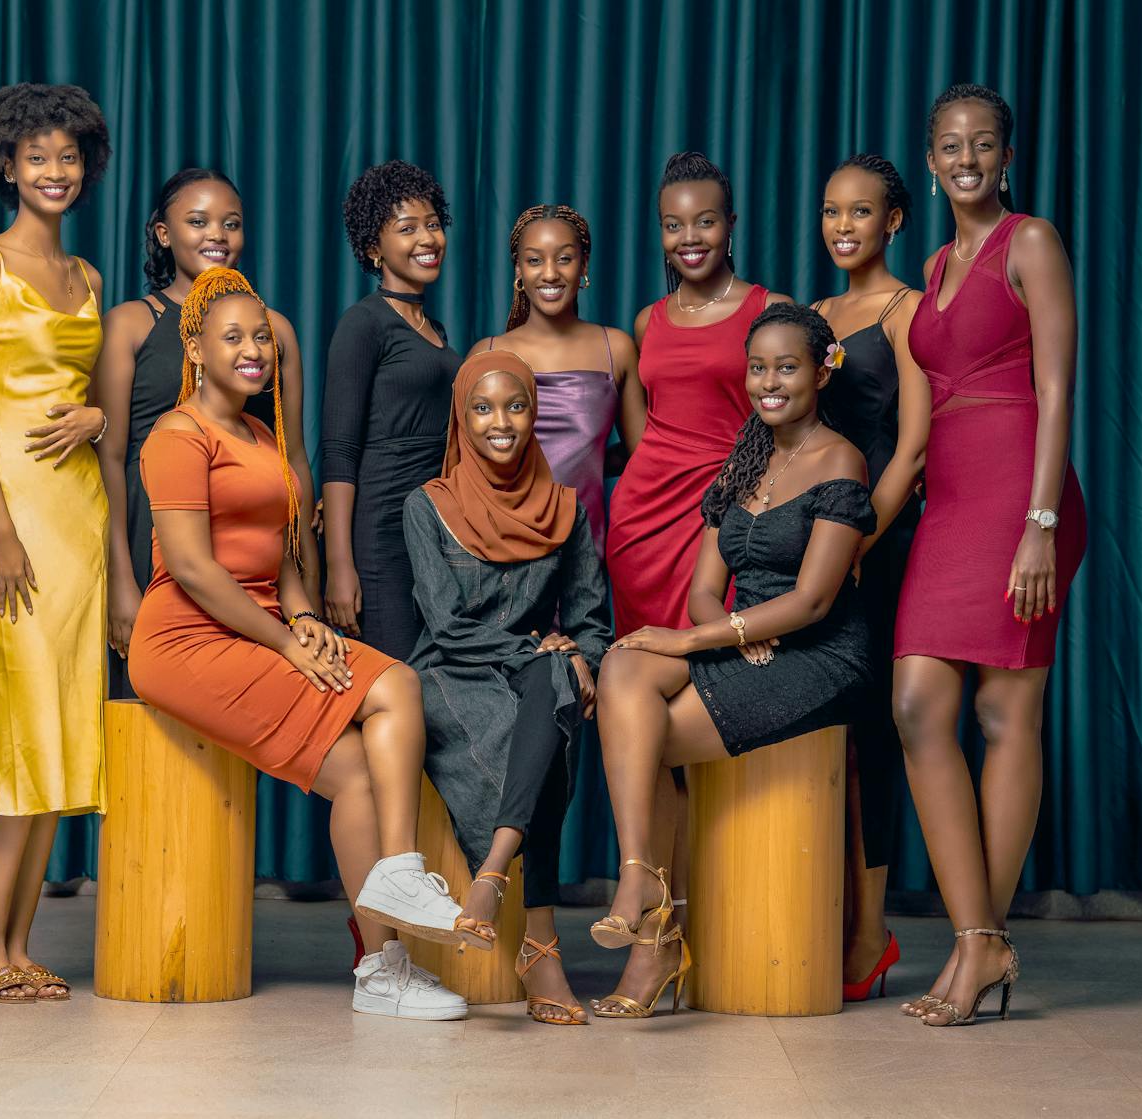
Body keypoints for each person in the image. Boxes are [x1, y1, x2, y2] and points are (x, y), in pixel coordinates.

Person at [127, 266, 468, 1021]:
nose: (254, 350)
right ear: (196, 352)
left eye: (262, 338)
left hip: (262, 621)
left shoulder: (259, 432)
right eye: (234, 338)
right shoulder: (177, 436)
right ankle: (404, 877)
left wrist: (305, 615)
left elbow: (278, 552)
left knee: (361, 771)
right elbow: (189, 566)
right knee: (393, 692)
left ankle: (382, 968)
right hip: (186, 637)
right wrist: (285, 642)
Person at [593, 304, 876, 1019]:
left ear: (821, 370)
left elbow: (813, 600)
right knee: (624, 666)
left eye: (787, 366)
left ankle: (653, 930)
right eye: (758, 367)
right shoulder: (746, 460)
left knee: (641, 728)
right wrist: (726, 629)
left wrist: (695, 639)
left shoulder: (841, 461)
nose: (769, 381)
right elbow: (703, 589)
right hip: (745, 640)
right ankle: (642, 881)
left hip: (821, 656)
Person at [893, 84, 1086, 1028]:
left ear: (1005, 158)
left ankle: (978, 943)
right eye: (949, 147)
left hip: (1021, 491)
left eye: (982, 145)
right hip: (952, 499)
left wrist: (1042, 519)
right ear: (930, 162)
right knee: (920, 702)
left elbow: (1057, 389)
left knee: (1008, 713)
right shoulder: (932, 264)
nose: (966, 160)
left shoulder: (1033, 241)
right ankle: (984, 938)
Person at [0, 83, 112, 1003]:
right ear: (7, 166)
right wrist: (2, 529)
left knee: (61, 728)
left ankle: (18, 943)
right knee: (22, 722)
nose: (55, 171)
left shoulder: (89, 279)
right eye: (36, 157)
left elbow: (110, 399)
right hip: (13, 517)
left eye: (68, 156)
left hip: (81, 514)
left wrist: (97, 415)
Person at [605, 151, 793, 933]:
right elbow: (645, 429)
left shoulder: (769, 308)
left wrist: (735, 507)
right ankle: (660, 918)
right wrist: (658, 485)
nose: (690, 237)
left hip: (723, 526)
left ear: (731, 224)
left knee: (703, 707)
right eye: (674, 224)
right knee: (640, 712)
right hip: (644, 523)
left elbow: (788, 428)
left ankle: (721, 926)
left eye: (705, 220)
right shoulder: (649, 320)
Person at [404, 350, 612, 1025]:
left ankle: (492, 873)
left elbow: (589, 621)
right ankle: (541, 942)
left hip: (530, 673)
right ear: (462, 419)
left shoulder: (565, 510)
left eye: (516, 406)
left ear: (535, 412)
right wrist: (543, 651)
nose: (502, 423)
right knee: (550, 700)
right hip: (449, 669)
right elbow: (447, 624)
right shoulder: (427, 506)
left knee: (555, 680)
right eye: (484, 408)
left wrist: (583, 655)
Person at [93, 167, 320, 699]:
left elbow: (295, 458)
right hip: (155, 538)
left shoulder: (274, 330)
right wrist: (121, 584)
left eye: (231, 223)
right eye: (198, 221)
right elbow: (108, 461)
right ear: (164, 233)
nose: (217, 234)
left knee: (253, 707)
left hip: (251, 555)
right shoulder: (131, 324)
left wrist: (309, 582)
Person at [811, 154, 929, 1000]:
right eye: (830, 211)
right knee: (827, 731)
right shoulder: (812, 315)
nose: (843, 225)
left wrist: (858, 541)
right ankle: (821, 911)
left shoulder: (906, 312)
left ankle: (869, 930)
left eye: (861, 211)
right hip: (814, 544)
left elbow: (914, 445)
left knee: (874, 733)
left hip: (877, 543)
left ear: (894, 220)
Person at [322, 160, 462, 659]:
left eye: (432, 224)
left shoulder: (438, 332)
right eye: (407, 229)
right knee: (397, 679)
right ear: (373, 249)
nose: (427, 238)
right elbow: (338, 450)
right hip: (382, 534)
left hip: (433, 531)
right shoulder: (363, 324)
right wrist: (341, 565)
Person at [468, 203, 643, 557]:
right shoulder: (486, 354)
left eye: (563, 258)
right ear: (518, 269)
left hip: (582, 552)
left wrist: (589, 462)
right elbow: (464, 464)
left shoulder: (616, 348)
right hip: (500, 550)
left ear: (584, 265)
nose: (550, 273)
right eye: (534, 260)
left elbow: (642, 454)